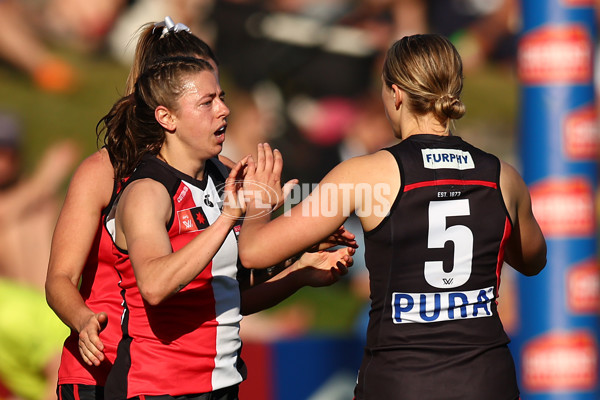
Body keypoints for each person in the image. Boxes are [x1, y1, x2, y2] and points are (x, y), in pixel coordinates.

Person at [46, 17, 356, 400]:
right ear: (165, 106)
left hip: (206, 376)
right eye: (207, 100)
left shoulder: (223, 173)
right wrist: (83, 321)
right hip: (104, 367)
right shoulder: (112, 173)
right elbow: (64, 278)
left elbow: (224, 292)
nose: (223, 109)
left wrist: (299, 254)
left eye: (219, 94)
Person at [238, 33, 547, 400]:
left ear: (396, 93)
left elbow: (254, 253)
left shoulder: (364, 175)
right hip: (486, 380)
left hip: (402, 380)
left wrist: (258, 203)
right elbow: (533, 260)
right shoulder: (502, 176)